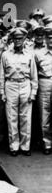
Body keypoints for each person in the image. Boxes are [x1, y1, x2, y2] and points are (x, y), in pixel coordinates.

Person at [0, 27, 38, 156]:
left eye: (20, 38)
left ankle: (25, 146)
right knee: (11, 117)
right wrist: (2, 92)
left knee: (26, 117)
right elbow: (1, 75)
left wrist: (33, 92)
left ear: (25, 39)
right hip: (11, 85)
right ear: (12, 39)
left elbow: (34, 75)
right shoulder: (5, 54)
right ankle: (14, 146)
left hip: (25, 84)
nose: (18, 41)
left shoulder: (29, 54)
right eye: (15, 38)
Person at [34, 26, 52, 155]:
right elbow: (33, 72)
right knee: (44, 115)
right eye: (49, 38)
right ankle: (47, 143)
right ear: (45, 39)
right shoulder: (38, 54)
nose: (51, 40)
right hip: (44, 81)